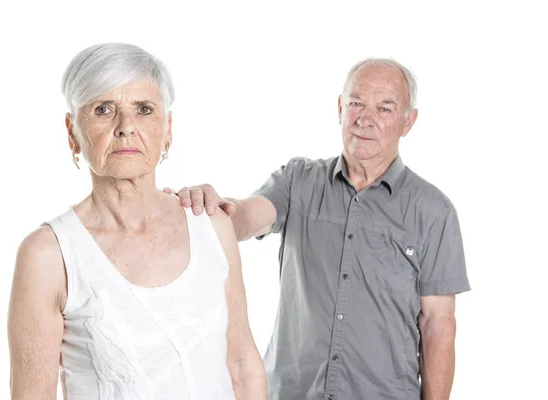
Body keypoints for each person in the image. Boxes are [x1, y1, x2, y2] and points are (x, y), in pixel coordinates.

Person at [173, 58, 471, 400]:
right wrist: (212, 209)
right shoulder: (298, 181)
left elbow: (438, 325)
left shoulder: (433, 211)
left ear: (409, 121)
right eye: (356, 103)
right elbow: (244, 217)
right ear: (340, 107)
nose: (365, 118)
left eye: (385, 109)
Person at [7, 43, 267, 400]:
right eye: (103, 109)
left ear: (168, 128)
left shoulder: (211, 225)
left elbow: (242, 366)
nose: (125, 127)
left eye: (144, 109)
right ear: (72, 132)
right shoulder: (48, 255)